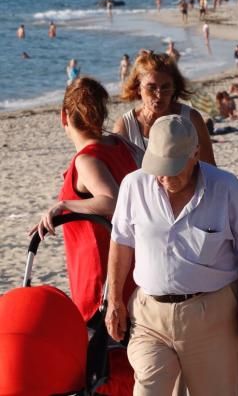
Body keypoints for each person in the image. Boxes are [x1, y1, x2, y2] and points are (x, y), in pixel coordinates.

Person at [106, 115, 238, 394]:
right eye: (160, 167)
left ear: (195, 154)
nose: (166, 177)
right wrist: (114, 300)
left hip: (212, 318)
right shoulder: (134, 185)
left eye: (174, 168)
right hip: (149, 318)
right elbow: (121, 243)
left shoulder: (227, 188)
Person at [31, 77, 138, 395]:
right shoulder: (119, 146)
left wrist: (65, 203)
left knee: (107, 371)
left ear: (64, 117)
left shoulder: (87, 159)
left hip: (100, 280)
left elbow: (113, 199)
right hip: (130, 270)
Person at [112, 50, 215, 167]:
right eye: (151, 88)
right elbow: (119, 176)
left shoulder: (191, 119)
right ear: (138, 88)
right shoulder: (125, 126)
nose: (159, 95)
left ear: (174, 87)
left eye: (165, 88)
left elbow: (210, 169)